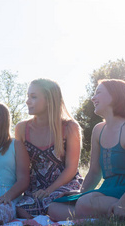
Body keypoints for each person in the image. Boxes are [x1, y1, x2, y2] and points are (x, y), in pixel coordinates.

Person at [48, 79, 125, 221]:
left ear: (115, 96)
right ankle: (105, 217)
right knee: (54, 208)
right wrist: (80, 192)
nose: (93, 98)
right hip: (109, 189)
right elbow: (94, 172)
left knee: (85, 203)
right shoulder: (98, 130)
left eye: (98, 93)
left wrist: (123, 203)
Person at [15, 78, 83, 218]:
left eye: (33, 97)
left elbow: (71, 168)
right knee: (21, 210)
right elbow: (20, 168)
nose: (27, 101)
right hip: (35, 189)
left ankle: (96, 216)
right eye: (28, 96)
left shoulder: (69, 127)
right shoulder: (22, 128)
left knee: (54, 207)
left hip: (65, 184)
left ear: (49, 100)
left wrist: (50, 190)